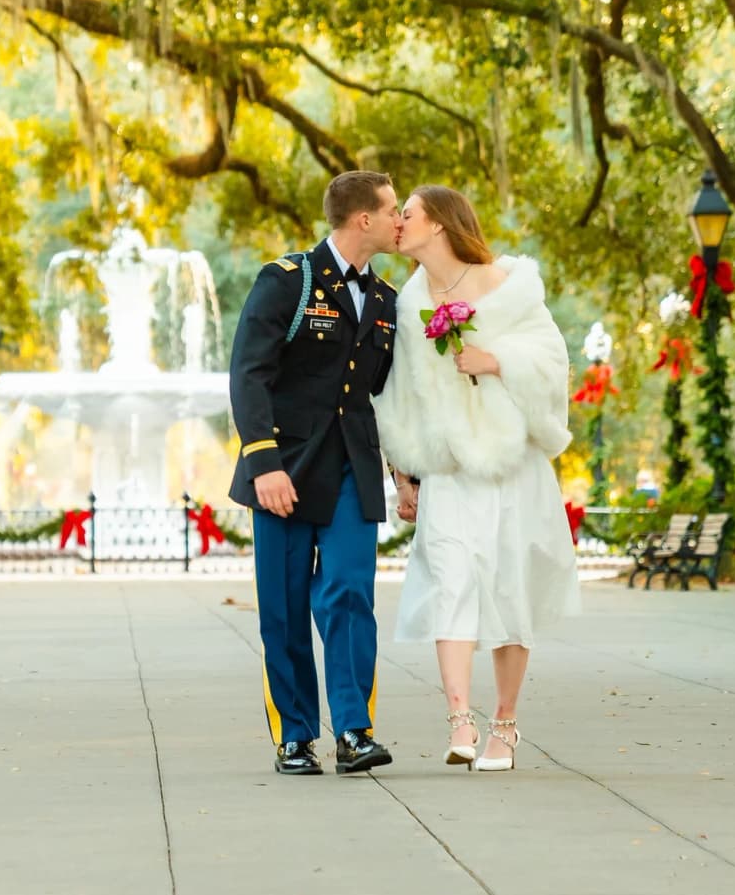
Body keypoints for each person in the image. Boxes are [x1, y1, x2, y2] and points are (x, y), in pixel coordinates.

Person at [374, 185, 579, 774]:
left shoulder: (508, 285)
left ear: (437, 224)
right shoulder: (408, 303)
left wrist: (496, 361)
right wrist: (405, 472)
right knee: (451, 582)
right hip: (449, 471)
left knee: (509, 586)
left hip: (512, 466)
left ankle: (505, 725)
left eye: (406, 214)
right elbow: (401, 396)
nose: (398, 223)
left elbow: (551, 360)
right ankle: (460, 720)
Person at [227, 170, 402, 777]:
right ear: (363, 220)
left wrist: (404, 474)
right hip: (285, 470)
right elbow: (247, 373)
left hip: (353, 468)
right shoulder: (288, 281)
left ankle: (354, 730)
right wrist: (263, 465)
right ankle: (295, 735)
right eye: (393, 210)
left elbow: (390, 397)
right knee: (283, 606)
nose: (399, 220)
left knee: (351, 595)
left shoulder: (386, 302)